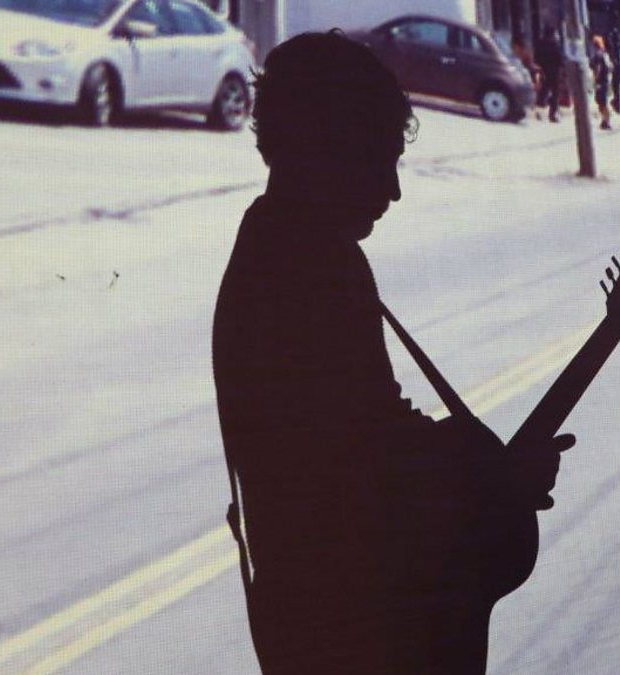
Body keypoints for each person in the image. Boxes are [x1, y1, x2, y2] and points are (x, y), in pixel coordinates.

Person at [212, 31, 575, 674]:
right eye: (381, 161)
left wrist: (484, 469)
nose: (394, 190)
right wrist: (489, 472)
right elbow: (364, 471)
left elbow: (373, 435)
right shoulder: (308, 268)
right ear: (328, 151)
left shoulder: (282, 245)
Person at [534, 26, 562, 123]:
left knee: (543, 91)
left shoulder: (540, 44)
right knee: (555, 93)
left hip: (543, 71)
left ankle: (539, 111)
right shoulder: (555, 45)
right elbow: (560, 59)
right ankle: (552, 114)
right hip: (555, 72)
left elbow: (536, 58)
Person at [590, 35, 613, 130]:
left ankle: (606, 121)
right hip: (606, 80)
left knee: (601, 102)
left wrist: (596, 80)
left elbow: (598, 68)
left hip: (601, 81)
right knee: (601, 101)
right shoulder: (605, 54)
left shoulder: (598, 55)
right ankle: (604, 121)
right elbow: (611, 66)